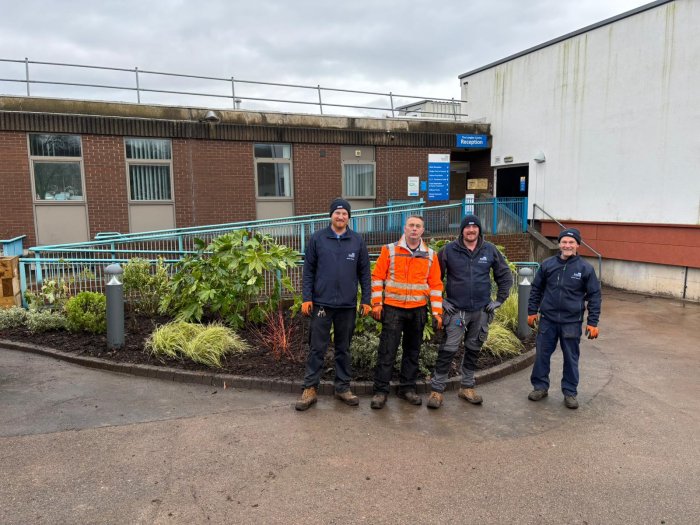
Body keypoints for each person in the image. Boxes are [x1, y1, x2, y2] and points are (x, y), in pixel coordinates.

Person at [426, 214, 513, 409]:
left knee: (473, 349)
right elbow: (433, 278)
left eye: (475, 228)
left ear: (479, 230)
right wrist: (441, 301)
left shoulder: (489, 250)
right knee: (448, 350)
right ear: (462, 230)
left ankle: (467, 387)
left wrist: (499, 299)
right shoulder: (448, 250)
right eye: (467, 227)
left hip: (481, 311)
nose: (471, 230)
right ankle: (437, 390)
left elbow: (504, 275)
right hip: (456, 311)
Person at [295, 198, 371, 411]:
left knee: (343, 348)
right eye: (337, 213)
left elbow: (365, 273)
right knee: (317, 348)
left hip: (346, 305)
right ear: (331, 216)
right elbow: (308, 270)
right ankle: (310, 388)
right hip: (321, 304)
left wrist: (366, 300)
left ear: (348, 217)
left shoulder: (357, 241)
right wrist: (307, 297)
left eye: (344, 213)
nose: (340, 217)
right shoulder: (318, 239)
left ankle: (342, 387)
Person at [369, 215, 443, 409]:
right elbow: (377, 278)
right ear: (404, 228)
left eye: (418, 226)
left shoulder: (430, 255)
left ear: (422, 230)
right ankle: (380, 391)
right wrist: (377, 303)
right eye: (411, 225)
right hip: (393, 308)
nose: (414, 229)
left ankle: (407, 388)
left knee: (412, 351)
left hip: (417, 310)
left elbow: (435, 285)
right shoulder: (389, 250)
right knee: (387, 350)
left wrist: (437, 313)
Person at [527, 228, 602, 409]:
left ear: (577, 245)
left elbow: (594, 296)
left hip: (571, 322)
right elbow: (536, 289)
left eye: (571, 242)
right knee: (542, 356)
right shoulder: (547, 265)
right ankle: (540, 386)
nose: (567, 245)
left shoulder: (585, 269)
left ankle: (569, 392)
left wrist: (593, 322)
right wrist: (532, 311)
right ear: (559, 244)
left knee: (571, 357)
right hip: (548, 320)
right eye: (564, 242)